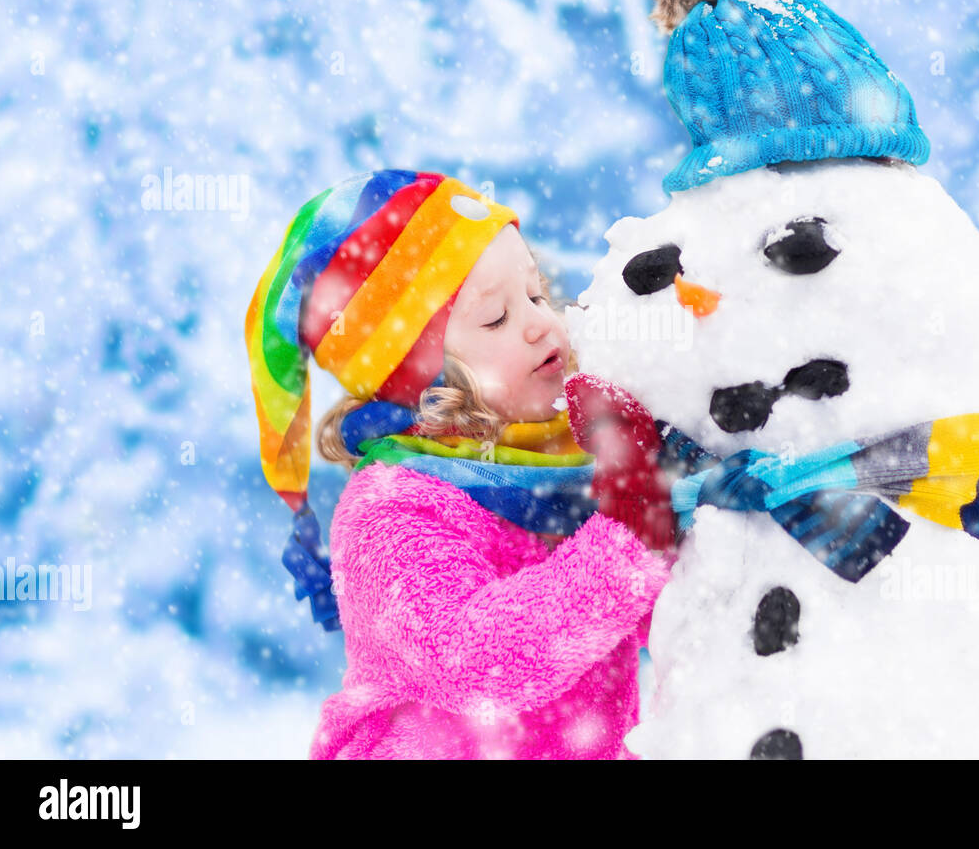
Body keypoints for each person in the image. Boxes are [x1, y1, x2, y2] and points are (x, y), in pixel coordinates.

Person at [244, 169, 674, 759]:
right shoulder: (390, 509)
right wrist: (635, 530)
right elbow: (477, 662)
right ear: (417, 377)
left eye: (536, 293)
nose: (539, 322)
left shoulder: (568, 470)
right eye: (495, 317)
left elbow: (664, 613)